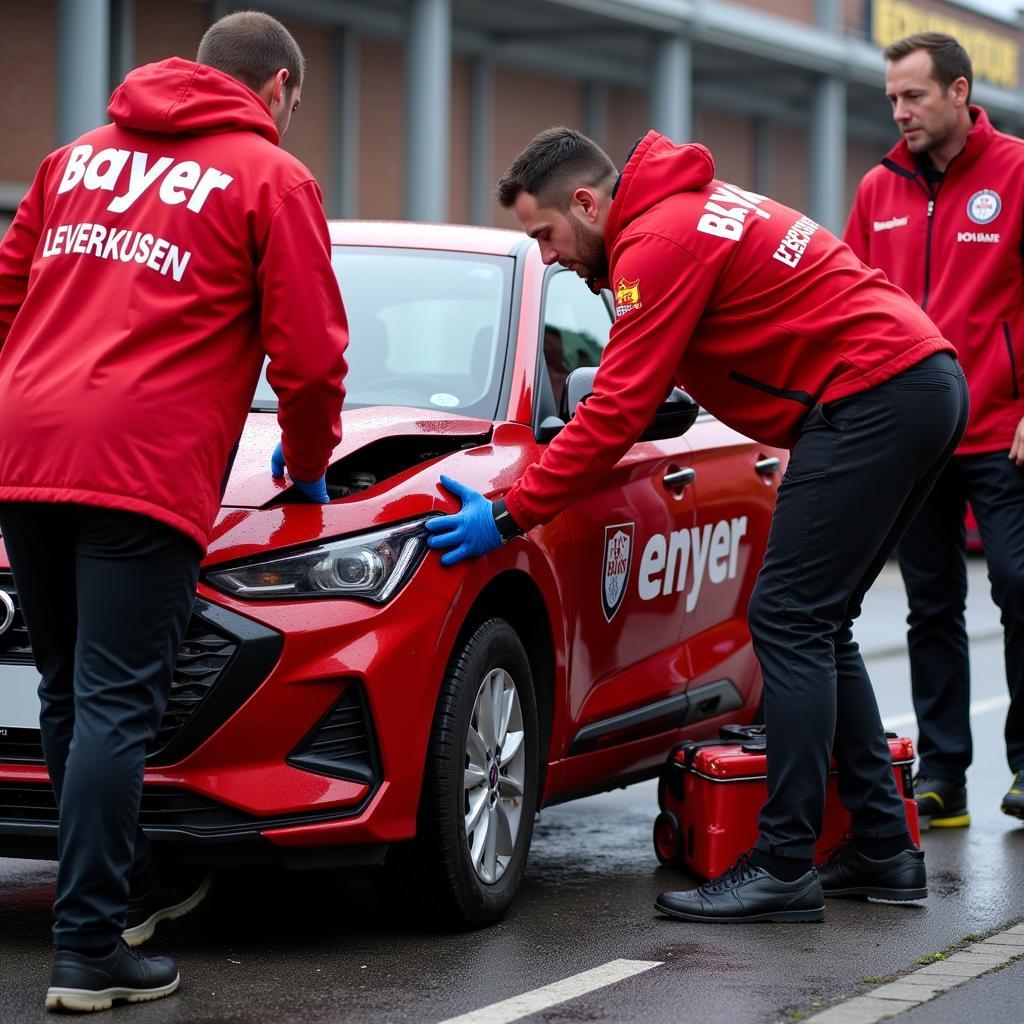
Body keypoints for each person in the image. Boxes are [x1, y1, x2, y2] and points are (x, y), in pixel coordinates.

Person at [425, 126, 968, 923]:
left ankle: (784, 865)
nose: (545, 256)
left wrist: (509, 512)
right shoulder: (683, 212)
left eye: (544, 234)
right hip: (916, 382)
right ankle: (886, 849)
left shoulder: (658, 243)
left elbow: (614, 410)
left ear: (586, 201)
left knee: (786, 619)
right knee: (819, 621)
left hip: (871, 395)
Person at [0, 11, 347, 1012]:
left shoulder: (74, 159)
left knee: (70, 694)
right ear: (277, 88)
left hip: (27, 452)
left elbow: (5, 292)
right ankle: (90, 945)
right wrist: (311, 463)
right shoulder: (270, 178)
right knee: (116, 701)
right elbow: (313, 357)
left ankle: (113, 895)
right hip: (141, 462)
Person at [845, 33, 1024, 830]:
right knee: (930, 603)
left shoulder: (1017, 172)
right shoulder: (877, 190)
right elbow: (846, 310)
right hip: (916, 438)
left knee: (1019, 588)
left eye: (913, 96)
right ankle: (944, 775)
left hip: (1001, 426)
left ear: (959, 91)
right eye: (891, 98)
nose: (899, 112)